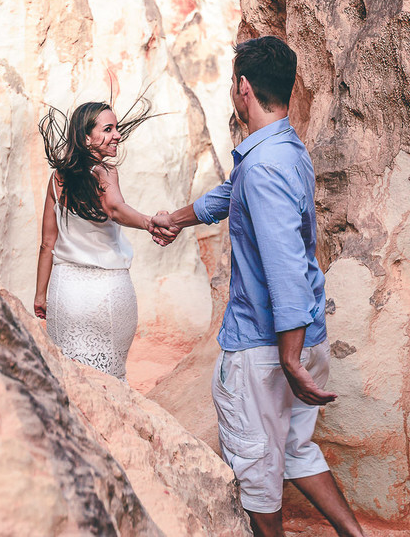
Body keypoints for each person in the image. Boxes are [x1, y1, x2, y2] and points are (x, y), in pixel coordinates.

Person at [150, 37, 366, 537]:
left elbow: (285, 269)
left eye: (232, 82)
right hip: (305, 336)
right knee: (295, 449)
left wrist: (288, 360)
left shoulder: (263, 167)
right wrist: (180, 218)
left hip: (265, 350)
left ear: (242, 88)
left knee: (256, 473)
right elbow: (234, 193)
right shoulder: (283, 150)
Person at [34, 98, 174, 381]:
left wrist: (40, 294)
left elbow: (47, 244)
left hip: (66, 294)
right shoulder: (106, 172)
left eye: (117, 129)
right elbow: (115, 208)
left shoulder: (56, 179)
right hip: (108, 293)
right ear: (86, 137)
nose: (117, 136)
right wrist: (149, 222)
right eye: (108, 129)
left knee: (71, 380)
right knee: (110, 381)